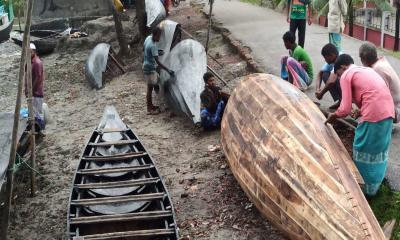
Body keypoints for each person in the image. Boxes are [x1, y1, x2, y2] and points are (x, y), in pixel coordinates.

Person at [325, 54, 394, 196]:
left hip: (374, 116)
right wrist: (362, 110)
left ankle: (363, 191)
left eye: (338, 74)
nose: (339, 78)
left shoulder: (346, 74)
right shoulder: (366, 70)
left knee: (361, 147)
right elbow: (377, 93)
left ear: (342, 67)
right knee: (378, 151)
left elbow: (344, 109)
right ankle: (374, 188)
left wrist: (333, 116)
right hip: (388, 113)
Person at [359, 42, 400, 122]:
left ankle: (386, 125)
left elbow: (379, 97)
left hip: (396, 111)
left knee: (373, 100)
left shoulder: (377, 69)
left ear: (364, 58)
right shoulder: (381, 61)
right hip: (396, 105)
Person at [143, 27, 174, 114]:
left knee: (155, 85)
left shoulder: (148, 38)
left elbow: (145, 48)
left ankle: (152, 106)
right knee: (150, 88)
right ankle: (150, 108)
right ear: (155, 35)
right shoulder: (152, 46)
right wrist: (168, 70)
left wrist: (156, 52)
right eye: (159, 36)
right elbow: (158, 62)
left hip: (146, 65)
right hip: (150, 69)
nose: (159, 38)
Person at [25, 43, 45, 130]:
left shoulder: (37, 63)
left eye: (29, 52)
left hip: (36, 92)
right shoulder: (30, 61)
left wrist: (31, 90)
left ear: (33, 51)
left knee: (38, 113)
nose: (28, 54)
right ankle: (34, 129)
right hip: (31, 92)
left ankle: (41, 130)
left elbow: (38, 78)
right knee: (32, 112)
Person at [315, 43, 342, 109]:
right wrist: (317, 89)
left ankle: (345, 102)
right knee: (325, 74)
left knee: (333, 79)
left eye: (325, 58)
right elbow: (320, 73)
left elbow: (331, 81)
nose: (325, 60)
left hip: (352, 88)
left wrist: (321, 93)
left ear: (332, 55)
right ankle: (341, 101)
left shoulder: (340, 59)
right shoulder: (333, 59)